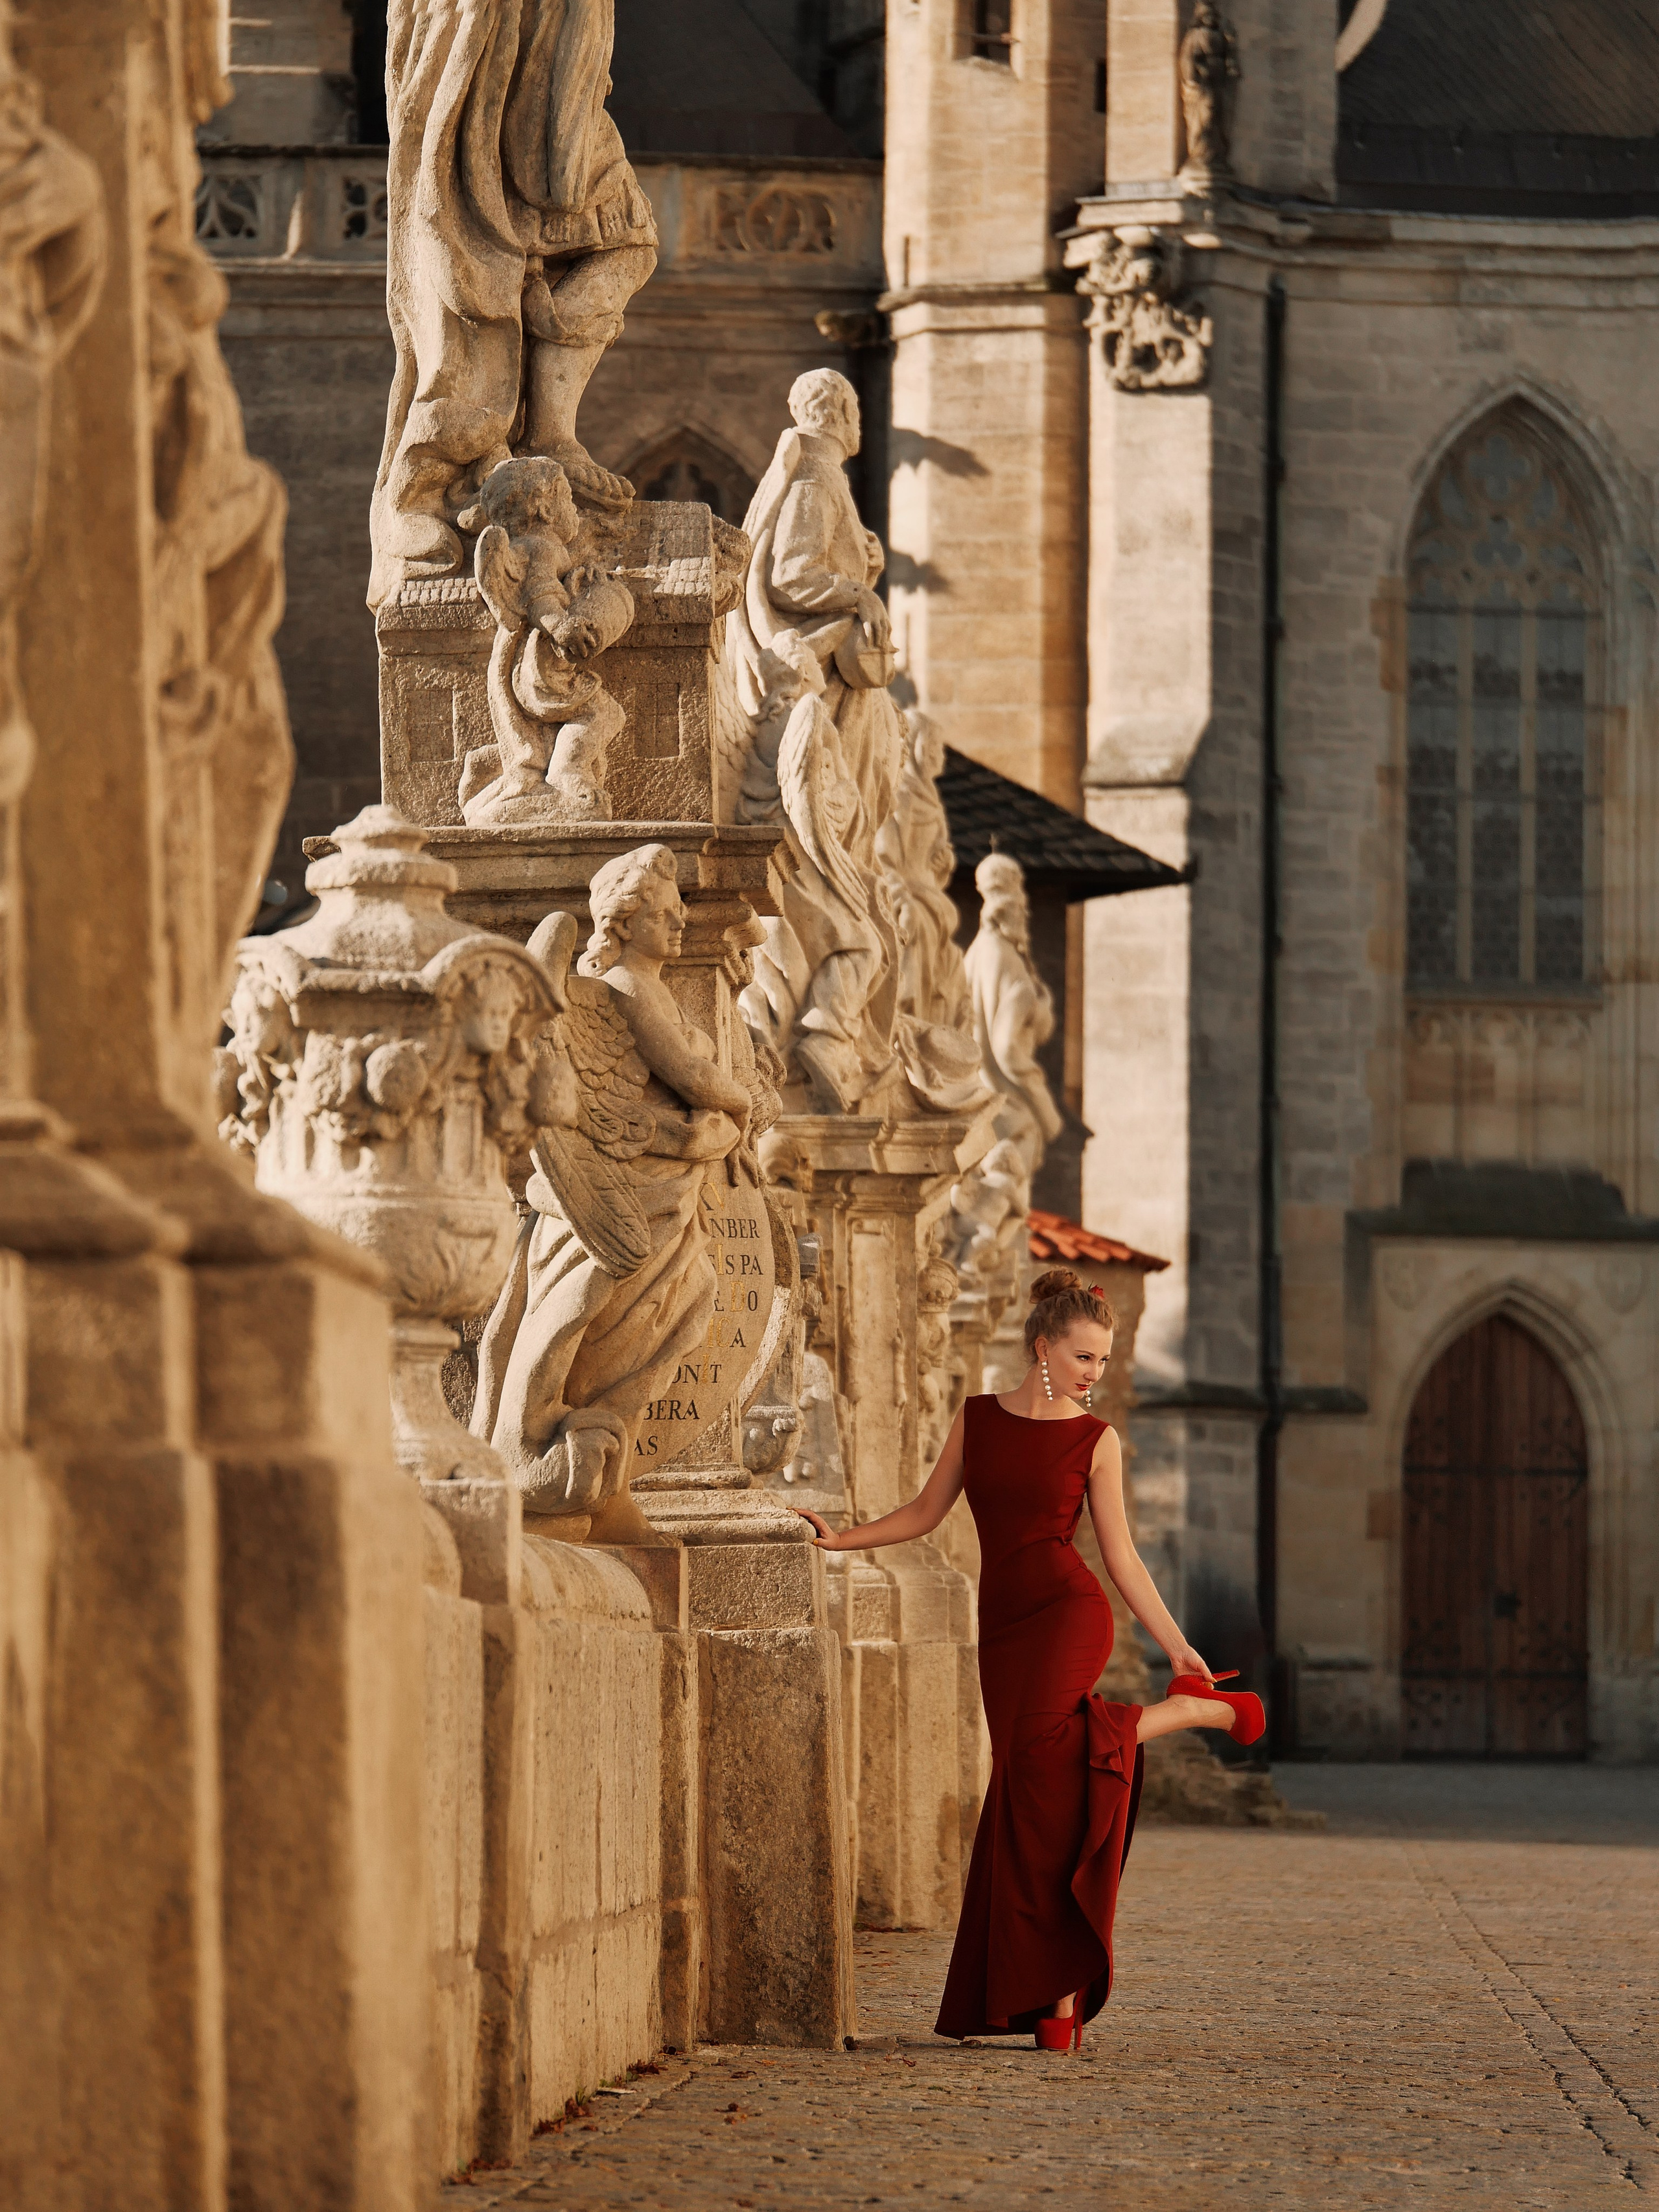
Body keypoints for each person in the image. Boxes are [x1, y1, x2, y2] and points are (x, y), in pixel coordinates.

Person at [794, 1267, 1264, 2050]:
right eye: (1084, 1356)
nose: (1094, 1372)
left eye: (1102, 1360)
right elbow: (925, 1510)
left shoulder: (1095, 1439)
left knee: (1045, 1759)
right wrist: (842, 1539)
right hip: (1003, 1626)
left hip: (1067, 1613)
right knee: (1029, 1798)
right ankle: (1052, 1996)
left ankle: (1188, 1709)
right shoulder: (977, 1417)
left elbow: (1121, 1557)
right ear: (1042, 1346)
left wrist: (1178, 1646)